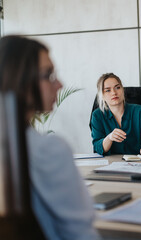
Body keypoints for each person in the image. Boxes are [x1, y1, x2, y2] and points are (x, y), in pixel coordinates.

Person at [0, 36, 99, 239]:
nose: (60, 84)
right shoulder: (47, 149)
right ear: (19, 80)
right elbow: (81, 233)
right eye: (49, 75)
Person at [91, 73, 141, 159]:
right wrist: (109, 138)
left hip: (140, 163)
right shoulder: (97, 115)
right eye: (108, 90)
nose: (114, 93)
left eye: (117, 87)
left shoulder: (140, 112)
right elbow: (98, 147)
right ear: (102, 95)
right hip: (111, 164)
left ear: (122, 90)